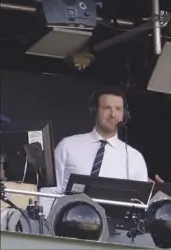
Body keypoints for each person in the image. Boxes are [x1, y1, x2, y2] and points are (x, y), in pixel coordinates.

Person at [39, 86, 148, 215]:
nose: (113, 114)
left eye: (118, 109)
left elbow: (140, 204)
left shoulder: (135, 157)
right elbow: (49, 192)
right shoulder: (68, 145)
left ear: (124, 114)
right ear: (94, 110)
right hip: (67, 224)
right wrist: (44, 225)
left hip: (114, 231)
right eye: (107, 108)